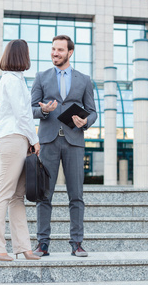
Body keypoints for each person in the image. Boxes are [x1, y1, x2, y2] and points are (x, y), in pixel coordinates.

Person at [31, 35, 97, 257]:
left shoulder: (84, 80)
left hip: (74, 141)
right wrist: (44, 111)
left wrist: (85, 121)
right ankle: (42, 244)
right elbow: (30, 109)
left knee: (76, 195)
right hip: (48, 141)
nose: (54, 53)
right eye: (53, 49)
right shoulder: (41, 77)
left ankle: (76, 243)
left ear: (70, 53)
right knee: (44, 196)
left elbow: (93, 111)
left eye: (59, 50)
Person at [0, 39, 41, 262]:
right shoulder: (11, 80)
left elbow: (23, 114)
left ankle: (23, 247)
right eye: (27, 53)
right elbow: (22, 114)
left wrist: (29, 140)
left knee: (17, 197)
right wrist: (35, 140)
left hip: (21, 139)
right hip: (13, 138)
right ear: (21, 55)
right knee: (4, 192)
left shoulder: (17, 80)